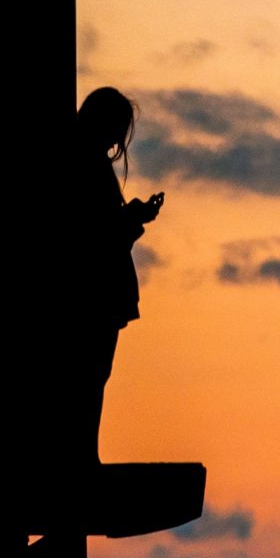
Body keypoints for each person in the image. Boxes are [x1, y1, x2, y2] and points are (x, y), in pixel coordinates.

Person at [73, 87, 162, 462]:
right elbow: (97, 237)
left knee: (92, 379)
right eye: (117, 127)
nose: (118, 138)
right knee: (88, 379)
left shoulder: (87, 165)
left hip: (101, 297)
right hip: (95, 298)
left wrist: (131, 218)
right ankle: (82, 458)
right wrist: (133, 219)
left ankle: (83, 457)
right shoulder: (86, 168)